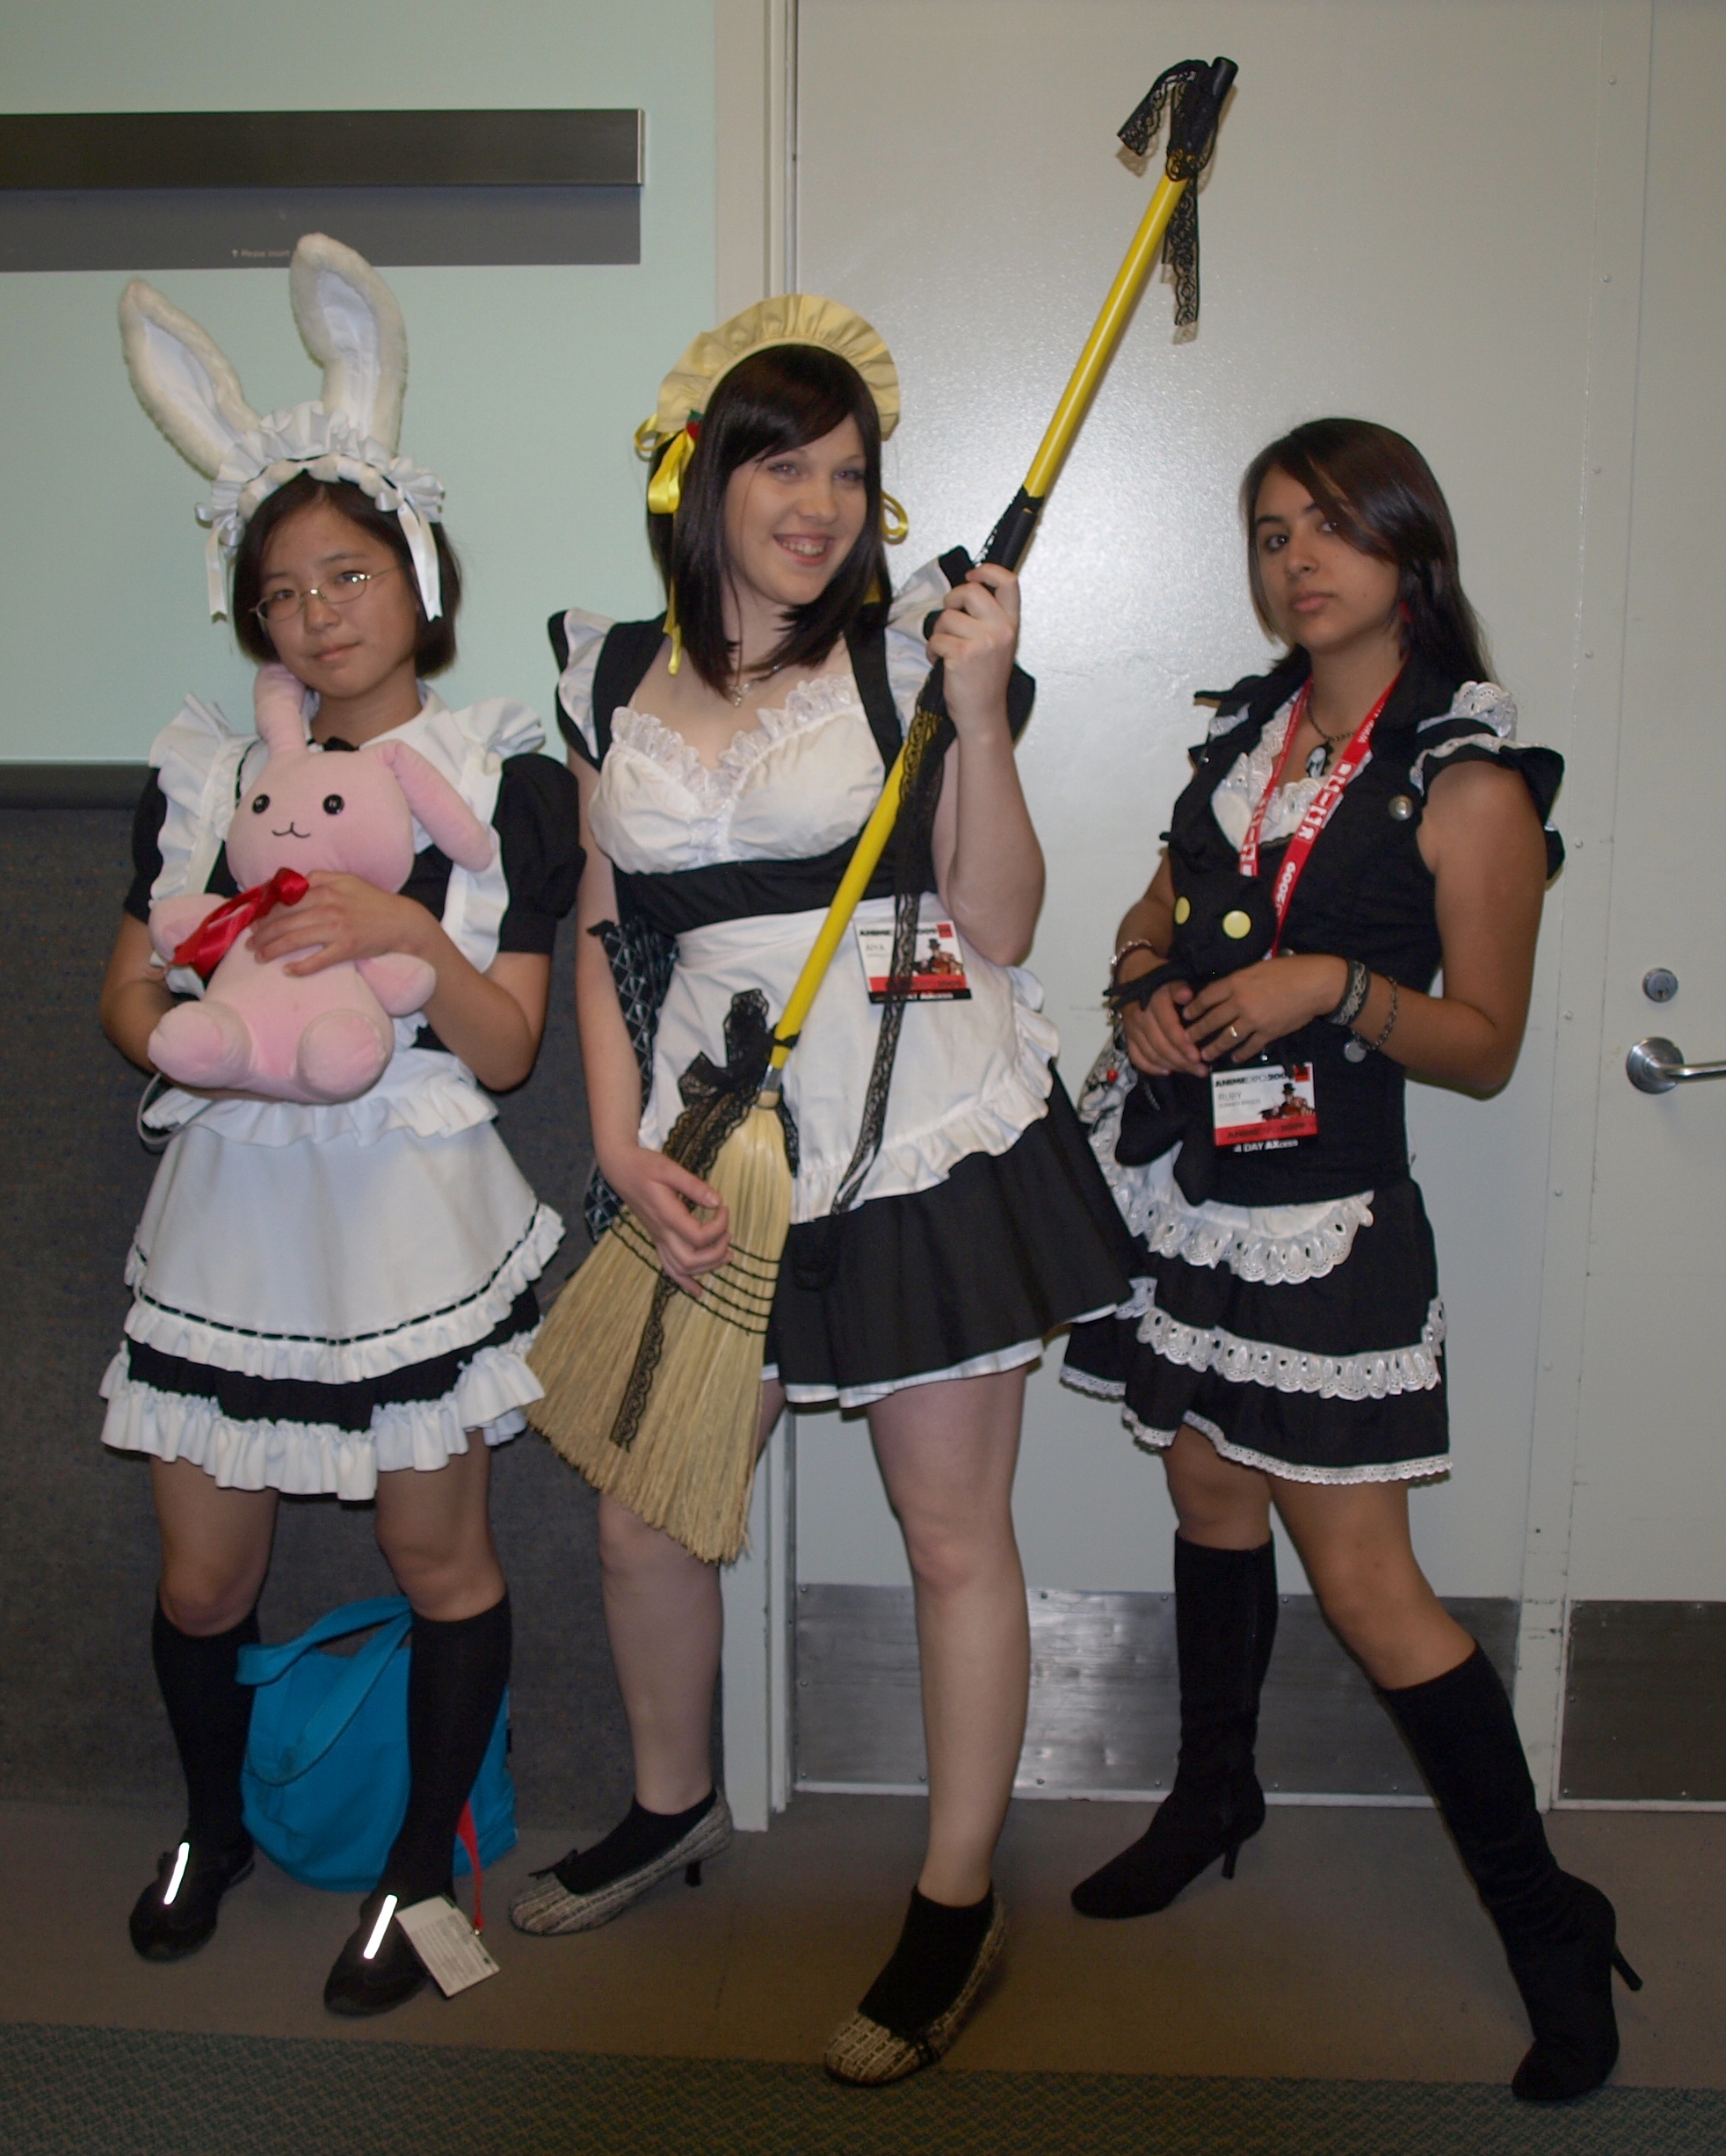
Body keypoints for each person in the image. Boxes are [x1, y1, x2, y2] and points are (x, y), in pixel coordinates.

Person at [510, 296, 1132, 2084]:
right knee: (647, 1511)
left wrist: (979, 714)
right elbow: (607, 933)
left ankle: (952, 1902)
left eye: (851, 472)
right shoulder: (605, 676)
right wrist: (616, 1143)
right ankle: (670, 1802)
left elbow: (999, 919)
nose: (819, 504)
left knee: (950, 1533)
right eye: (782, 463)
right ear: (704, 475)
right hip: (711, 1138)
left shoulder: (907, 660)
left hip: (922, 1124)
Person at [1062, 417, 1637, 2102]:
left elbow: (1485, 1044)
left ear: (1409, 547)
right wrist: (1142, 989)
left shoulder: (1468, 778)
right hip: (1193, 1196)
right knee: (1205, 1491)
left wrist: (1332, 987)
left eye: (1331, 525)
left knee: (1374, 1589)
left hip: (1332, 1222)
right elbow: (1153, 911)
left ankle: (1551, 1921)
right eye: (1270, 532)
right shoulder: (1248, 744)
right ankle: (1214, 1790)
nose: (1297, 559)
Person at [101, 237, 579, 2014]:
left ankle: (416, 1868)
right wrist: (200, 1031)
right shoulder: (211, 777)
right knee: (199, 1571)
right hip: (232, 1196)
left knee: (433, 1553)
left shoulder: (508, 770)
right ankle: (210, 1827)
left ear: (418, 572)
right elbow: (124, 990)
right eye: (284, 588)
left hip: (408, 1208)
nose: (317, 612)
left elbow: (509, 1046)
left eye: (350, 574)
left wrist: (401, 937)